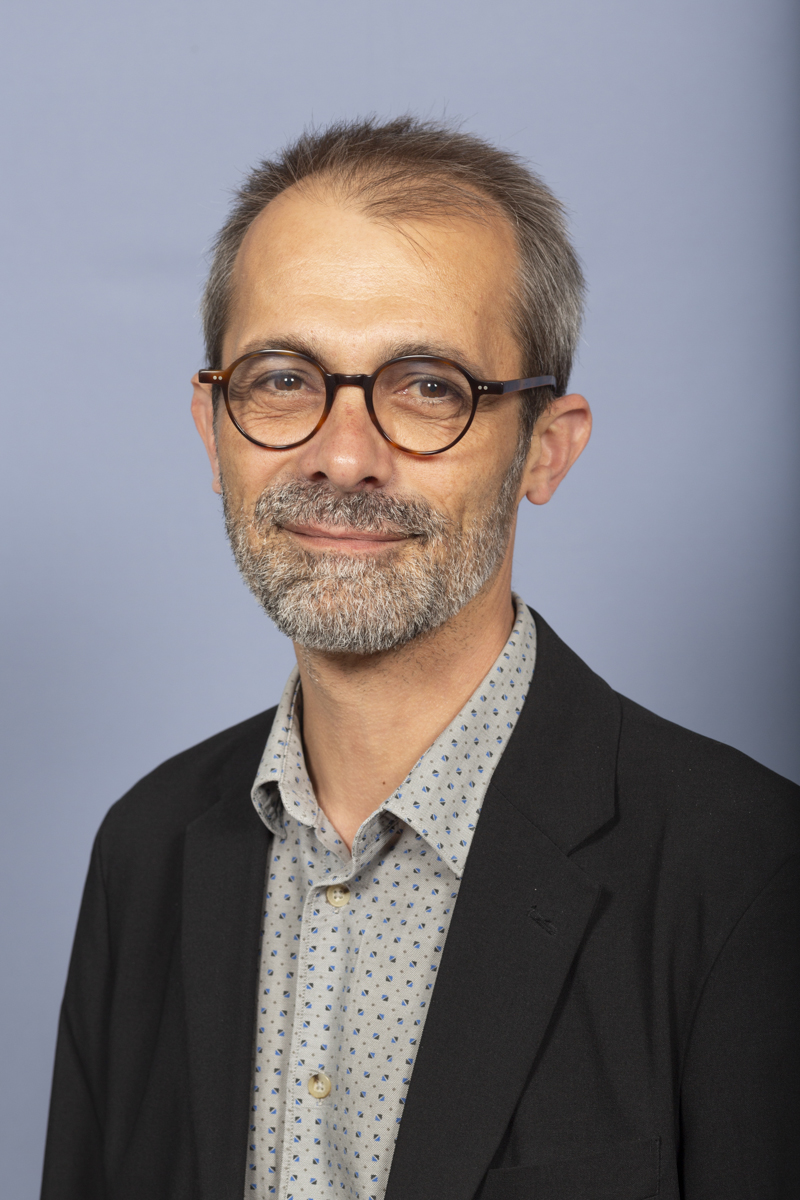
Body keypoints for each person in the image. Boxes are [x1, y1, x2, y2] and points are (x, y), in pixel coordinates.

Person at [41, 116, 799, 1200]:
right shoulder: (146, 850)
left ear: (545, 449)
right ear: (212, 429)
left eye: (429, 386)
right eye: (282, 378)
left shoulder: (748, 874)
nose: (344, 455)